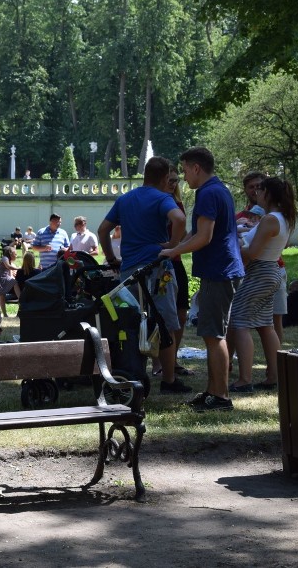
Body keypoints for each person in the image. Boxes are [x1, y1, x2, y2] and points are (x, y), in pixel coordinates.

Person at [160, 146, 244, 412]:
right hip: (222, 269)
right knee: (213, 332)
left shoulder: (208, 193)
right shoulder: (218, 190)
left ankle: (220, 397)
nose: (184, 177)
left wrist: (173, 251)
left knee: (213, 334)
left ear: (196, 168)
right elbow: (197, 233)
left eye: (185, 170)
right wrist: (171, 244)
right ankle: (213, 391)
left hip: (218, 270)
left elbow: (204, 237)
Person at [98, 156, 190, 394]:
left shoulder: (126, 199)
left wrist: (111, 259)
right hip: (157, 270)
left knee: (131, 324)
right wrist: (172, 244)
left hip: (129, 272)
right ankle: (168, 380)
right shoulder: (163, 198)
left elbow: (103, 229)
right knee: (166, 323)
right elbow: (179, 219)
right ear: (163, 177)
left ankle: (134, 371)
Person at [226, 176, 296, 393]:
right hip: (270, 270)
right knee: (266, 324)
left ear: (269, 194)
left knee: (239, 323)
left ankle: (244, 379)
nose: (256, 194)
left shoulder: (270, 219)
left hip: (258, 272)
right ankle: (274, 375)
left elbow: (253, 252)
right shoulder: (282, 218)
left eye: (260, 190)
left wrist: (232, 245)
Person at [153, 165, 194, 377]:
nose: (173, 184)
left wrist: (176, 246)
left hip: (175, 263)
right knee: (159, 315)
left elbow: (185, 230)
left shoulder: (177, 203)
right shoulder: (154, 202)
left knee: (180, 314)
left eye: (176, 180)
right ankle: (158, 363)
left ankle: (173, 359)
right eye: (169, 180)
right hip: (158, 263)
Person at [0, 246, 20, 317]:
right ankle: (19, 298)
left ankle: (5, 314)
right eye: (15, 254)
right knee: (2, 297)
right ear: (10, 253)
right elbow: (8, 267)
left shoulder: (8, 260)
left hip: (3, 278)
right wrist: (19, 268)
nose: (16, 256)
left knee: (3, 296)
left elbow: (9, 273)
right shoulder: (5, 258)